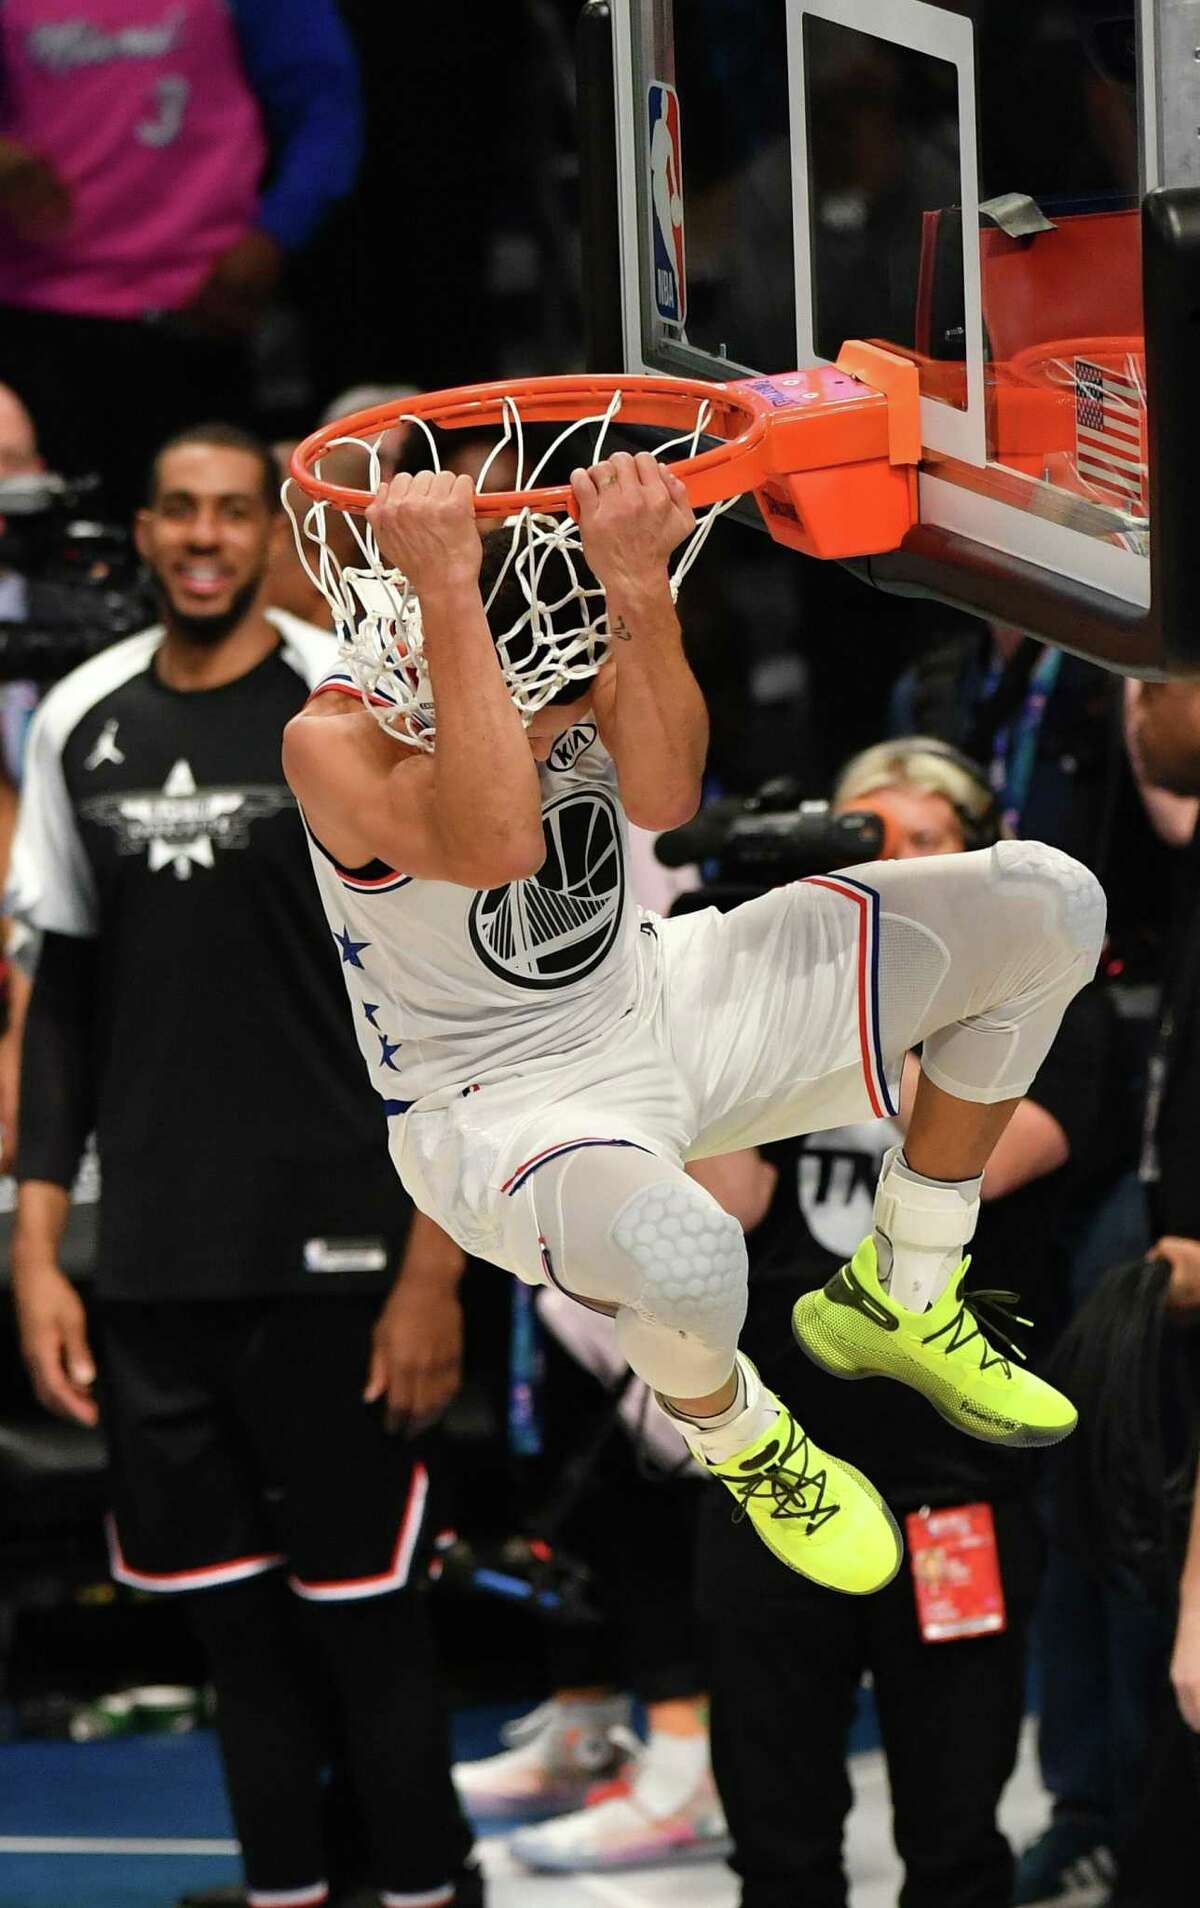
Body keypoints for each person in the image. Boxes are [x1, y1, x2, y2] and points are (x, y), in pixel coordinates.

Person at [281, 452, 1105, 1600]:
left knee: (1046, 905)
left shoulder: (564, 649)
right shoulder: (329, 739)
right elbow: (497, 842)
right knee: (692, 1254)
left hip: (656, 995)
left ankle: (906, 1283)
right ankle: (743, 1442)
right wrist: (451, 595)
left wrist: (636, 583)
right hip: (503, 1108)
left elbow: (665, 797)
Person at [8, 425, 477, 1908]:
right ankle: (287, 1896)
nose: (205, 537)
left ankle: (422, 1892)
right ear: (142, 531)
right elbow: (60, 1010)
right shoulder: (76, 718)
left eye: (231, 512)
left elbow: (448, 999)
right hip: (153, 1266)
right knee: (234, 1640)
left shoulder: (345, 695)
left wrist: (433, 1271)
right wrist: (36, 1258)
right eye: (179, 512)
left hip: (347, 1261)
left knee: (371, 1627)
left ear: (264, 530)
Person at [695, 737, 1117, 1908]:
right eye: (869, 849)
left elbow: (995, 1154)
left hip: (951, 1484)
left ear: (980, 861)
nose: (902, 874)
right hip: (778, 1462)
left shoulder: (1049, 1013)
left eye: (928, 848)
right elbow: (733, 1201)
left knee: (954, 1832)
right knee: (775, 1836)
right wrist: (716, 1013)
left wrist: (885, 996)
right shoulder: (777, 1011)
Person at [0, 0, 362, 516]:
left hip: (197, 312)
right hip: (35, 312)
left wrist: (277, 233)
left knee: (209, 528)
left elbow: (324, 103)